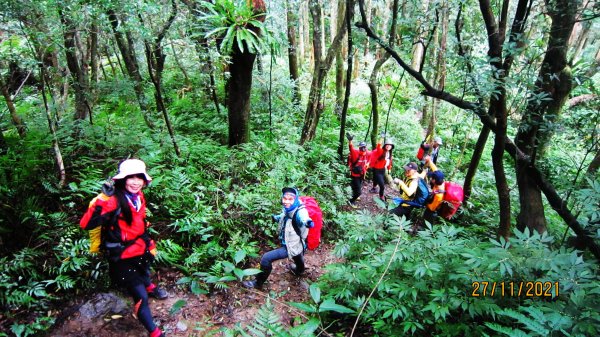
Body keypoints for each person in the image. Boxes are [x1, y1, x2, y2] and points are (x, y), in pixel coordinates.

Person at [80, 159, 167, 337]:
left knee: (144, 267)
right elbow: (86, 224)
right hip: (121, 255)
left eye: (139, 178)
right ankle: (155, 332)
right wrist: (103, 199)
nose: (136, 182)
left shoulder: (139, 196)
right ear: (122, 180)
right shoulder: (112, 201)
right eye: (131, 177)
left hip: (140, 245)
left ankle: (150, 286)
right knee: (140, 297)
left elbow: (139, 219)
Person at [243, 187, 314, 289]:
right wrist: (276, 218)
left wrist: (307, 222)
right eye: (284, 198)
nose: (286, 201)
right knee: (297, 254)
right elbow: (285, 216)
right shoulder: (288, 210)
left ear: (296, 199)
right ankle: (299, 270)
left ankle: (257, 283)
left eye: (290, 199)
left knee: (266, 259)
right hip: (296, 244)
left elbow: (303, 217)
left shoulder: (300, 212)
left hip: (291, 245)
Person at [346, 133, 369, 208]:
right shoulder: (355, 153)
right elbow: (351, 148)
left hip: (361, 175)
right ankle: (351, 201)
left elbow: (376, 153)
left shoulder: (367, 154)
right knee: (359, 192)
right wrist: (350, 141)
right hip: (355, 174)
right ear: (359, 147)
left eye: (364, 147)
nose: (363, 148)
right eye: (362, 147)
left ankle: (354, 195)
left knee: (356, 187)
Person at [369, 135, 394, 200]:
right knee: (382, 185)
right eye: (387, 145)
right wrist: (382, 138)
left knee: (375, 179)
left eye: (390, 145)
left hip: (382, 170)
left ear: (392, 147)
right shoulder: (381, 151)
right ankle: (381, 196)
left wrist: (389, 169)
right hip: (376, 169)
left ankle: (374, 188)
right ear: (385, 145)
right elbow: (378, 146)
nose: (388, 146)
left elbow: (389, 162)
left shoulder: (390, 153)